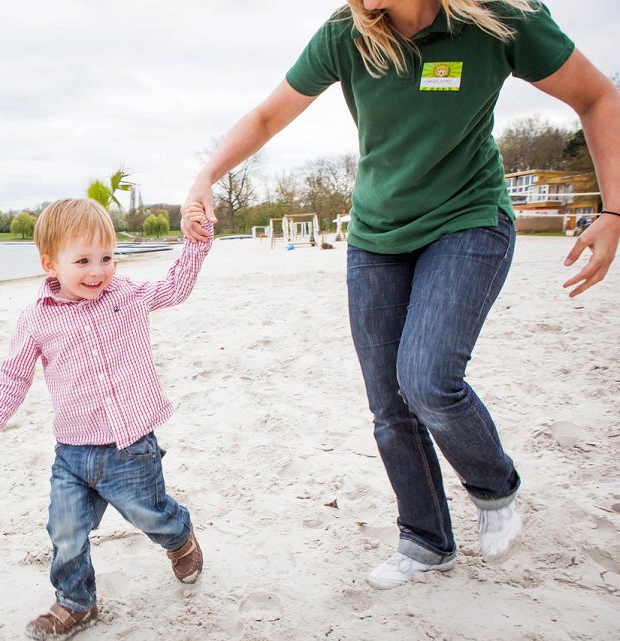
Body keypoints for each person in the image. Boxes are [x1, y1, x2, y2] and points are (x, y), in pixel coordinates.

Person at [184, 0, 620, 589]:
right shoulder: (346, 33)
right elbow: (266, 117)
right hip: (376, 237)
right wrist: (206, 175)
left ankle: (494, 487)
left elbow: (596, 96)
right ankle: (425, 539)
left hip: (467, 221)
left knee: (427, 378)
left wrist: (612, 209)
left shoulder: (500, 19)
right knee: (388, 403)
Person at [0, 198, 215, 639]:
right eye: (83, 260)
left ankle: (180, 538)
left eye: (106, 257)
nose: (98, 270)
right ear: (50, 263)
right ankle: (77, 602)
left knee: (151, 515)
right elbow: (13, 375)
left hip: (130, 445)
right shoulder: (37, 319)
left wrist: (195, 244)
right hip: (73, 451)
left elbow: (175, 287)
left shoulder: (128, 295)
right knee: (65, 530)